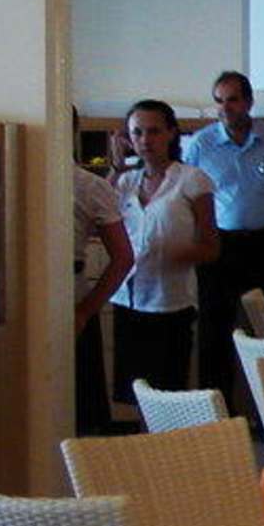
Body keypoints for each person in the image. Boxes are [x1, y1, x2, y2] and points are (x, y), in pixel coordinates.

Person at [183, 72, 264, 404]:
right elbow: (187, 192)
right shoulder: (202, 144)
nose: (226, 108)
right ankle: (217, 410)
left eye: (233, 100)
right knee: (214, 331)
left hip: (263, 243)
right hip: (219, 246)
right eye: (219, 101)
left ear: (248, 102)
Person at [112, 99, 218, 402]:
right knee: (134, 392)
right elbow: (99, 215)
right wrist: (116, 167)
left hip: (170, 301)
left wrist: (177, 252)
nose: (145, 140)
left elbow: (211, 247)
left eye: (154, 131)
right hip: (128, 299)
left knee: (168, 390)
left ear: (171, 133)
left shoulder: (192, 179)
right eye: (138, 132)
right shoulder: (126, 181)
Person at [71, 131, 134, 436]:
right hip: (24, 294)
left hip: (73, 294)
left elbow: (123, 257)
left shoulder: (88, 184)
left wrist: (85, 311)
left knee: (82, 407)